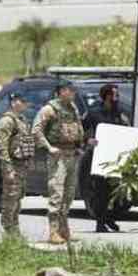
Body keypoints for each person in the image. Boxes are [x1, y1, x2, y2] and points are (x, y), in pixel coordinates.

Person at [33, 81, 95, 245]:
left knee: (68, 193)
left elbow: (78, 129)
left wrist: (84, 143)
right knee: (57, 192)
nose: (73, 93)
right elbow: (36, 130)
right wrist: (48, 147)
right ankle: (53, 231)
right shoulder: (49, 110)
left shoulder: (73, 109)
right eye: (69, 90)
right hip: (57, 156)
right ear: (61, 92)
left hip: (72, 155)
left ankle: (64, 229)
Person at [0, 92, 35, 238]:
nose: (24, 104)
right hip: (12, 165)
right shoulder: (6, 121)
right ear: (14, 102)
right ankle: (8, 229)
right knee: (10, 198)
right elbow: (2, 146)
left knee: (17, 199)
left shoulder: (22, 120)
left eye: (25, 102)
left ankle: (15, 230)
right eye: (21, 101)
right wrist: (8, 168)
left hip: (21, 165)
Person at [92, 84, 128, 233]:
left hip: (117, 158)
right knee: (101, 193)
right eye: (114, 95)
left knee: (118, 193)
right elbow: (83, 130)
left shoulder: (119, 113)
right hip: (100, 157)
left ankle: (109, 217)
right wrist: (88, 140)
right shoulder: (94, 113)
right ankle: (100, 222)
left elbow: (127, 129)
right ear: (107, 96)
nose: (117, 98)